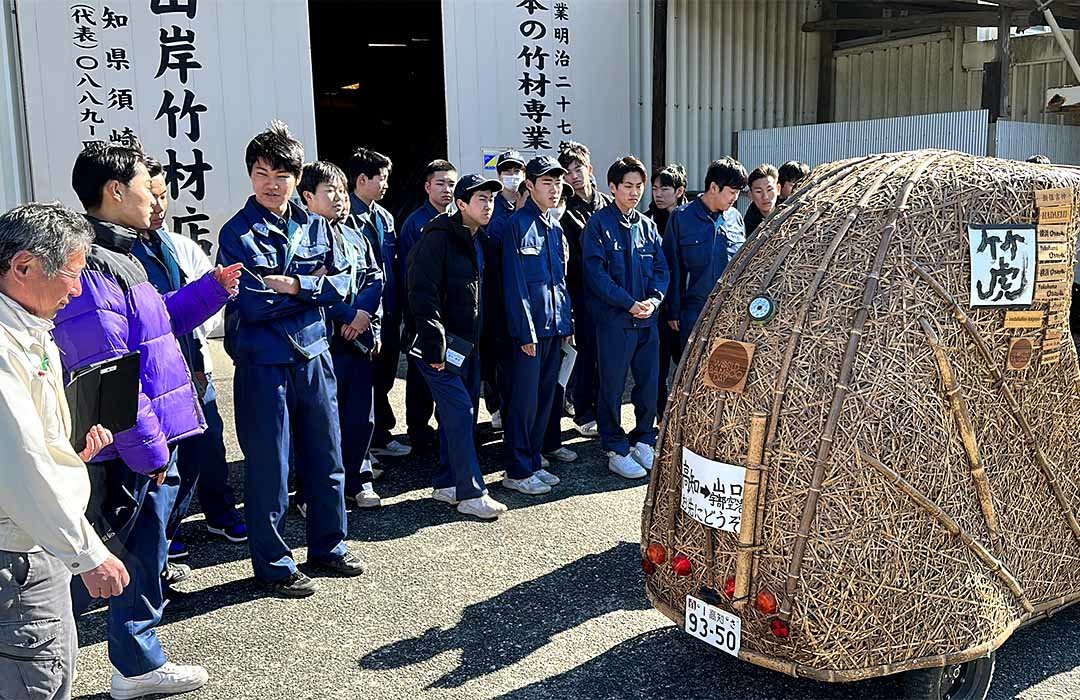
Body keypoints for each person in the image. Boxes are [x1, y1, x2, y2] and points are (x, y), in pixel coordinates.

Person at [58, 142, 238, 697]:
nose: (156, 195)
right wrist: (155, 453)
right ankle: (130, 666)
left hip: (149, 441)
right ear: (114, 192)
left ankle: (136, 665)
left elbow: (155, 328)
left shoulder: (124, 254)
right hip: (131, 450)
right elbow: (114, 378)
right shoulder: (91, 266)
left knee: (138, 555)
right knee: (110, 562)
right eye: (146, 184)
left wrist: (211, 291)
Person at [216, 122, 365, 598]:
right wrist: (309, 290)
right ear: (251, 177)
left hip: (315, 355)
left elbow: (344, 284)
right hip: (264, 363)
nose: (271, 183)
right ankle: (275, 564)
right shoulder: (236, 232)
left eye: (281, 174)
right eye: (261, 173)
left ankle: (329, 546)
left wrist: (298, 285)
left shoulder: (318, 224)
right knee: (269, 466)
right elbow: (253, 301)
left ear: (296, 178)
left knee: (327, 456)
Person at [0, 202, 129, 700]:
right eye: (72, 275)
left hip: (34, 537)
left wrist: (69, 448)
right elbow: (21, 465)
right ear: (25, 267)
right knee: (39, 684)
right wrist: (88, 553)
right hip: (22, 550)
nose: (77, 290)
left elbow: (29, 441)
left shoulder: (27, 326)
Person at [132, 158, 246, 569]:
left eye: (163, 195)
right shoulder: (120, 254)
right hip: (151, 375)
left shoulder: (176, 245)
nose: (159, 205)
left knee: (206, 446)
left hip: (192, 363)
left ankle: (210, 517)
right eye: (151, 195)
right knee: (160, 460)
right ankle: (165, 540)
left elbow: (210, 309)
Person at [407, 174, 507, 519]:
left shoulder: (479, 239)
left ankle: (448, 483)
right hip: (437, 347)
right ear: (461, 204)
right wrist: (435, 347)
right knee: (462, 411)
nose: (488, 205)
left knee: (457, 414)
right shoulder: (438, 238)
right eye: (480, 199)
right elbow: (422, 293)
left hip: (468, 346)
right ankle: (470, 492)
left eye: (491, 200)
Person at [299, 160, 384, 509]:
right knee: (319, 422)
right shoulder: (302, 238)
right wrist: (347, 314)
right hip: (325, 342)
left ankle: (358, 479)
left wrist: (365, 317)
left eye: (341, 190)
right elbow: (310, 288)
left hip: (358, 342)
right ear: (308, 196)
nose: (339, 198)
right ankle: (311, 490)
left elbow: (375, 278)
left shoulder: (355, 235)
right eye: (329, 191)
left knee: (360, 416)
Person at [582, 156, 669, 480]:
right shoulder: (599, 225)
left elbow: (661, 269)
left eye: (639, 186)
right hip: (615, 322)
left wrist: (654, 300)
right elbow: (596, 273)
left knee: (648, 384)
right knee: (612, 386)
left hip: (647, 321)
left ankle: (644, 437)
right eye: (628, 186)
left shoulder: (647, 226)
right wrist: (628, 302)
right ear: (613, 188)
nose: (634, 192)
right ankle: (615, 446)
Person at [500, 157, 574, 496]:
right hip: (528, 334)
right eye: (547, 182)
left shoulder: (555, 227)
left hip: (554, 328)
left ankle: (532, 461)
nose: (554, 189)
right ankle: (516, 470)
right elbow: (515, 284)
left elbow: (560, 282)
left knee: (546, 399)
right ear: (529, 185)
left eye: (557, 182)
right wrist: (525, 331)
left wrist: (566, 323)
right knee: (523, 402)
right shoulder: (516, 225)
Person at [346, 148, 411, 459]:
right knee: (361, 379)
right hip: (360, 313)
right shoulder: (345, 217)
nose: (386, 185)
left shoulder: (384, 217)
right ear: (362, 179)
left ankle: (381, 434)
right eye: (382, 179)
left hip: (388, 309)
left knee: (385, 374)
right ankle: (362, 443)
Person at [399, 160, 457, 453]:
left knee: (448, 373)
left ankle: (445, 429)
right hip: (422, 315)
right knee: (420, 375)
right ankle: (418, 430)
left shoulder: (459, 219)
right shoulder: (415, 223)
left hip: (451, 316)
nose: (446, 190)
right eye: (440, 183)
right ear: (427, 187)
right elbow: (409, 276)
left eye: (451, 184)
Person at [662, 158, 748, 349]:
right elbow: (672, 267)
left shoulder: (735, 218)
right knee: (692, 369)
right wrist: (673, 310)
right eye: (732, 192)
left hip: (730, 311)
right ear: (714, 187)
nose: (735, 198)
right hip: (695, 312)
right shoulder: (682, 218)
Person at [559, 141, 611, 439]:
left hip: (610, 291)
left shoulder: (606, 203)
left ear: (589, 169)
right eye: (567, 172)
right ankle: (583, 410)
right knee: (586, 350)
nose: (574, 175)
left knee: (607, 353)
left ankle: (603, 408)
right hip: (581, 290)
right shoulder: (564, 211)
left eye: (578, 168)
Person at [480, 150, 527, 430]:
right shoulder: (492, 209)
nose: (513, 176)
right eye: (507, 171)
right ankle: (495, 405)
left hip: (516, 296)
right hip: (493, 293)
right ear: (499, 175)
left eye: (517, 170)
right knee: (494, 356)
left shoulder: (524, 208)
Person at [646, 164, 689, 415]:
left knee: (685, 363)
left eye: (664, 188)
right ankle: (660, 414)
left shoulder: (692, 219)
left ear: (680, 190)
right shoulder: (649, 220)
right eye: (654, 189)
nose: (658, 194)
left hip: (686, 304)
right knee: (658, 366)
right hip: (659, 306)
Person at [743, 163, 779, 236]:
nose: (765, 197)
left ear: (778, 189)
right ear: (751, 195)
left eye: (769, 190)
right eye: (758, 192)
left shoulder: (791, 212)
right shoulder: (747, 227)